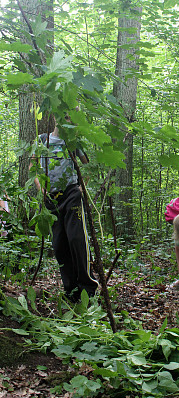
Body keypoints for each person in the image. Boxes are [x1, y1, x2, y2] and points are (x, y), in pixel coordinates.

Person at [30, 118, 98, 302]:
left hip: (71, 194)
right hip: (51, 198)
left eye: (70, 117)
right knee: (59, 243)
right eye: (64, 116)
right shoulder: (42, 140)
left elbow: (88, 165)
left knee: (77, 238)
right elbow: (33, 168)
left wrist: (82, 187)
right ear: (55, 117)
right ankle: (71, 290)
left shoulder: (74, 142)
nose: (67, 120)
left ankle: (88, 288)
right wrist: (40, 188)